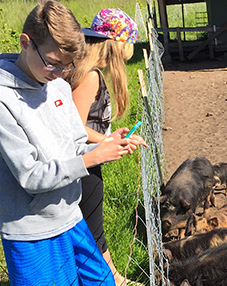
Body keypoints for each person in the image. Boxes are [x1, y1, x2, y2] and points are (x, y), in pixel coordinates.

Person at [0, 1, 140, 285]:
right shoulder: (4, 101)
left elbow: (75, 144)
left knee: (102, 281)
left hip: (71, 216)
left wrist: (104, 146)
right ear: (25, 43)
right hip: (32, 231)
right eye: (53, 63)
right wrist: (92, 158)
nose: (58, 73)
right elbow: (30, 175)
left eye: (67, 66)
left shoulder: (58, 86)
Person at [63, 8, 147, 286]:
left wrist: (111, 137)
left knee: (88, 225)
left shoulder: (84, 71)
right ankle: (113, 280)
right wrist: (109, 142)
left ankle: (110, 277)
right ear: (118, 43)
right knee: (92, 227)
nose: (132, 48)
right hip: (84, 163)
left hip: (85, 159)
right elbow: (74, 128)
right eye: (131, 41)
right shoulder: (90, 76)